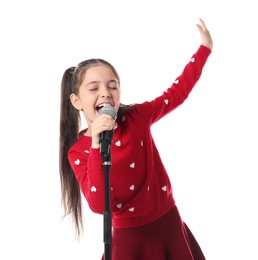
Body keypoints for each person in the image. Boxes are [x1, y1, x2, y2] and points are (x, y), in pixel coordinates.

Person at [59, 18, 213, 260]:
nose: (105, 93)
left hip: (168, 224)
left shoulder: (137, 117)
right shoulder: (79, 152)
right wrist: (97, 143)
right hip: (128, 239)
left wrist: (204, 50)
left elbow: (176, 93)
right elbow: (100, 204)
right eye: (93, 88)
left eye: (113, 86)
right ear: (76, 101)